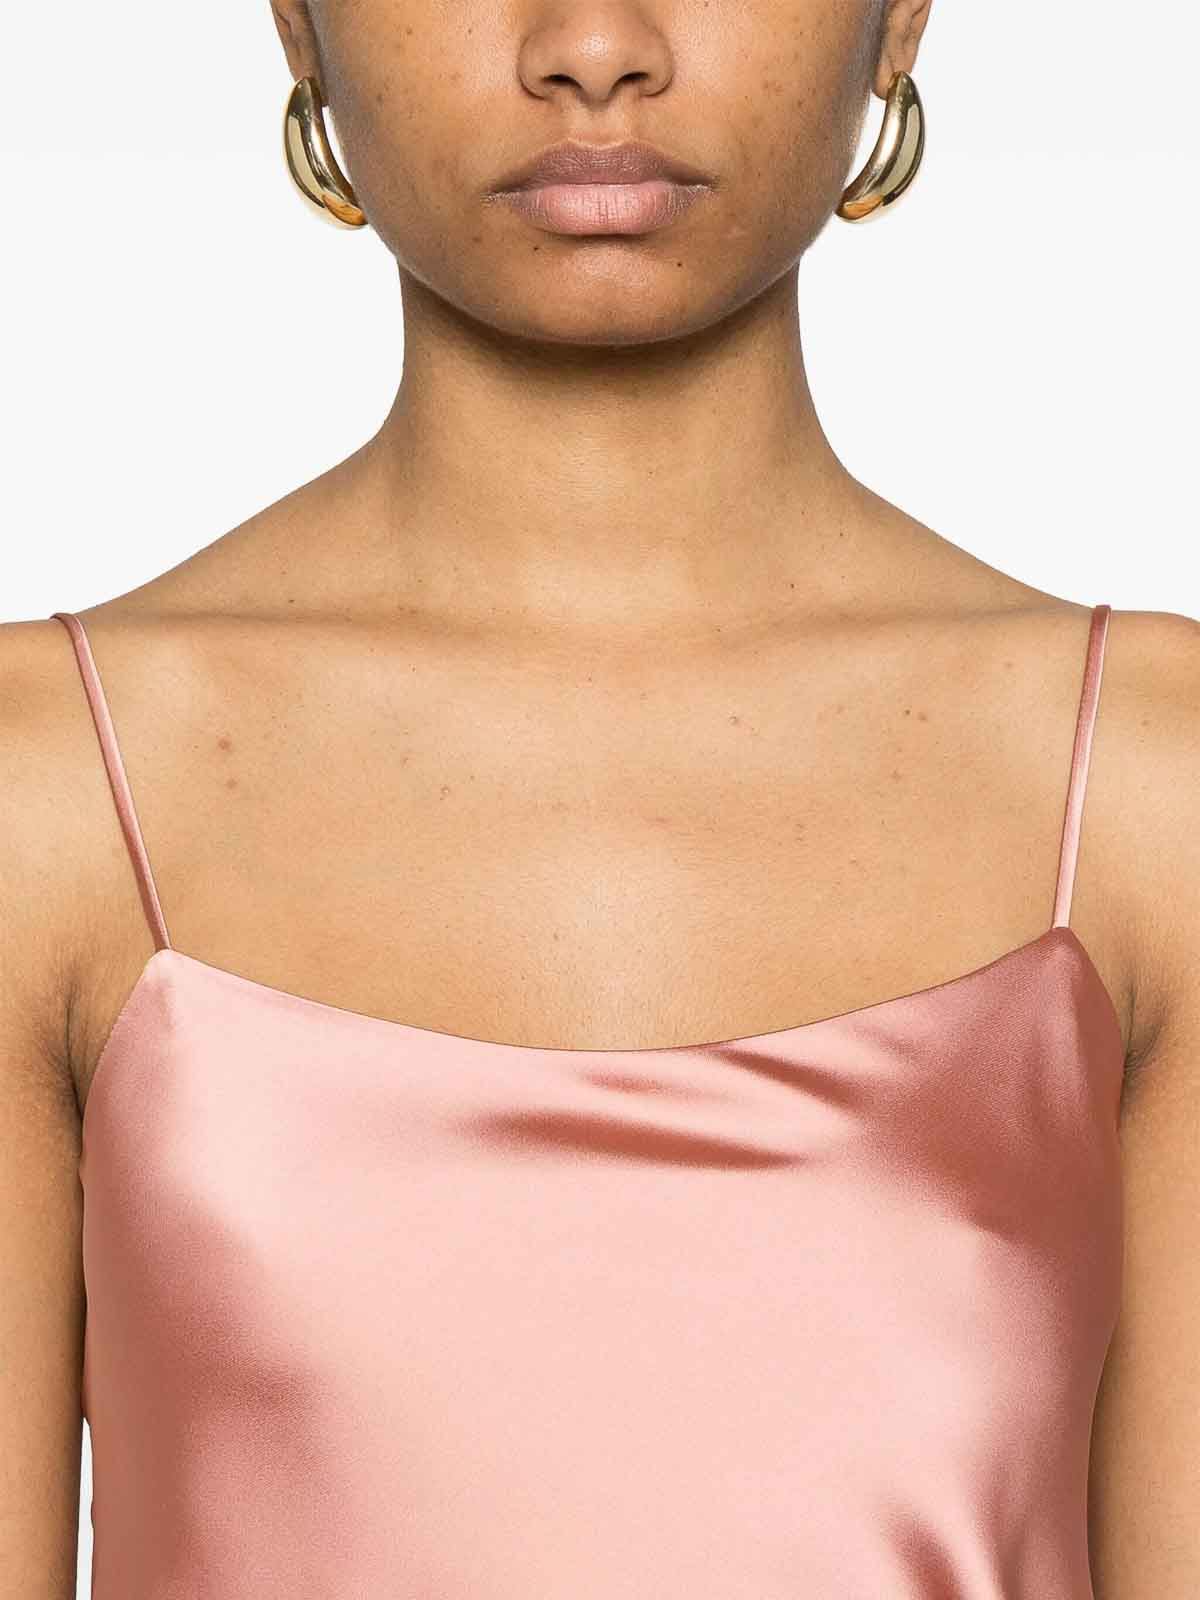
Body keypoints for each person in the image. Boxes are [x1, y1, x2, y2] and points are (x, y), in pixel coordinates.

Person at [2, 0, 1197, 1594]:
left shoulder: (1150, 787)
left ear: (901, 13)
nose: (592, 44)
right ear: (297, 21)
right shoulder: (46, 785)